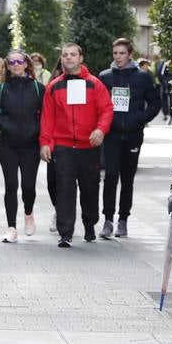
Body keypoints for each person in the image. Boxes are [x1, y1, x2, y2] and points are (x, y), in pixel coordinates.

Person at [40, 42, 112, 247]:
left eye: (73, 54)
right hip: (63, 147)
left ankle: (90, 224)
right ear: (61, 59)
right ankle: (65, 232)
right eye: (65, 55)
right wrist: (45, 143)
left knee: (90, 189)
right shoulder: (53, 86)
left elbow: (106, 109)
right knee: (64, 189)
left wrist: (100, 129)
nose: (69, 58)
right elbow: (47, 118)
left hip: (88, 147)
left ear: (81, 58)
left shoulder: (95, 84)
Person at [98, 37, 161, 240]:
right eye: (115, 53)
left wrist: (138, 119)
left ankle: (123, 219)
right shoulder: (105, 77)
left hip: (133, 134)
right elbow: (98, 105)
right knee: (110, 176)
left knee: (127, 179)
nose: (118, 57)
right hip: (112, 134)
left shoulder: (143, 77)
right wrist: (107, 123)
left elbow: (154, 104)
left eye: (122, 53)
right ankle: (107, 219)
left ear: (130, 54)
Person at [0, 51, 43, 242]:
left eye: (20, 61)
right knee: (11, 185)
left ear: (27, 64)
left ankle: (28, 213)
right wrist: (5, 124)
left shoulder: (38, 88)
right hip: (7, 145)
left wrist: (39, 133)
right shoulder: (0, 89)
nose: (16, 64)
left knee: (28, 185)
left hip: (31, 145)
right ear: (7, 66)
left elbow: (47, 115)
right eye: (12, 62)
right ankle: (11, 228)